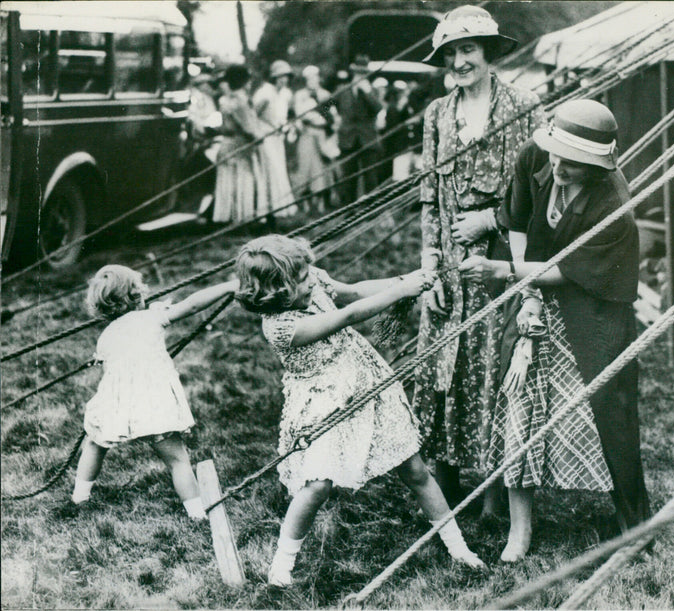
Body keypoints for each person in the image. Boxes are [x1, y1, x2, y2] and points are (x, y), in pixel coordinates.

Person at [459, 99, 651, 560]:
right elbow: (519, 221)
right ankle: (519, 529)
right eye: (556, 153)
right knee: (520, 398)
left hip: (595, 305)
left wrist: (507, 272)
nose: (560, 166)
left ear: (598, 166)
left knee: (611, 406)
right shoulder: (535, 155)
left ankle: (634, 526)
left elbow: (573, 271)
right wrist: (525, 292)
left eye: (575, 162)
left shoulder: (613, 206)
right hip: (533, 288)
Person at [234, 235, 484, 587]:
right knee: (317, 485)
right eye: (303, 280)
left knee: (414, 469)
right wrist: (401, 291)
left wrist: (403, 281)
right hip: (323, 399)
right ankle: (282, 566)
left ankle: (458, 547)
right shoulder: (279, 328)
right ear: (277, 290)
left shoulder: (310, 279)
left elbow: (351, 292)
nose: (312, 281)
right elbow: (349, 315)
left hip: (365, 382)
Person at [413, 5, 545, 513]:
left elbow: (535, 187)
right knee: (443, 367)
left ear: (489, 53)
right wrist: (430, 263)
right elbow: (429, 194)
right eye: (450, 53)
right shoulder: (436, 115)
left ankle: (496, 495)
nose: (460, 61)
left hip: (500, 254)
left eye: (468, 49)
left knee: (495, 367)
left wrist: (489, 220)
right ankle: (443, 487)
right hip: (448, 259)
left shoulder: (523, 105)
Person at [71, 265, 238, 519]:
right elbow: (192, 305)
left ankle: (79, 498)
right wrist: (228, 286)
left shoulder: (106, 337)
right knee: (177, 460)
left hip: (117, 404)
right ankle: (196, 513)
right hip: (153, 402)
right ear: (138, 295)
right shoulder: (152, 317)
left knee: (94, 443)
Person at [213, 65, 270, 223]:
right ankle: (242, 218)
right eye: (247, 79)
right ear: (241, 81)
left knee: (230, 183)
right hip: (239, 147)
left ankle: (230, 217)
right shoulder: (240, 101)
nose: (250, 82)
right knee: (242, 182)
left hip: (228, 145)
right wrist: (260, 136)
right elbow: (248, 127)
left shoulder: (226, 99)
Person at [336, 55, 385, 205]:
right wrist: (333, 120)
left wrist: (367, 92)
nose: (360, 76)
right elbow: (323, 107)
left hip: (367, 138)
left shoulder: (372, 90)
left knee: (370, 177)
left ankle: (370, 210)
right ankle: (348, 210)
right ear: (353, 73)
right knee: (348, 176)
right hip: (347, 137)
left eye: (363, 73)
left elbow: (378, 108)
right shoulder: (342, 90)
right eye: (358, 73)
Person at [252, 59, 297, 217]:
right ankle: (266, 213)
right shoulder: (264, 93)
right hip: (265, 138)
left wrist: (286, 127)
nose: (283, 80)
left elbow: (286, 115)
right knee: (270, 172)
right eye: (280, 76)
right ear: (273, 77)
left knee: (279, 171)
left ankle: (278, 211)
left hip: (278, 138)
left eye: (286, 76)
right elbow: (253, 116)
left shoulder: (285, 94)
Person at [293, 65, 339, 213]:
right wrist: (315, 117)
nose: (312, 80)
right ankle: (305, 202)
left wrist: (327, 121)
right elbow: (302, 114)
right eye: (309, 78)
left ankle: (321, 202)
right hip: (307, 134)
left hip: (322, 135)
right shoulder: (300, 95)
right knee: (306, 167)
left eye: (315, 77)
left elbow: (332, 114)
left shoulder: (325, 94)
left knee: (322, 168)